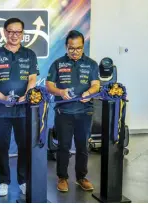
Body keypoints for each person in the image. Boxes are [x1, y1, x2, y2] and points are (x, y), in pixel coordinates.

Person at [0, 18, 38, 197]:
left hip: (23, 109)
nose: (14, 35)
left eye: (18, 32)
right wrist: (2, 97)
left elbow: (32, 79)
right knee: (2, 146)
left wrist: (26, 96)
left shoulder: (29, 54)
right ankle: (4, 181)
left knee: (24, 146)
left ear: (22, 34)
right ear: (5, 32)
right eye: (11, 31)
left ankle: (23, 181)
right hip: (1, 110)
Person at [46, 30, 100, 192]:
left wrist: (89, 93)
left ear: (83, 46)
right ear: (66, 47)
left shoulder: (91, 64)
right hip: (64, 113)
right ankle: (62, 177)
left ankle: (81, 177)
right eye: (71, 48)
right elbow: (49, 85)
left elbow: (96, 84)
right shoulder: (57, 63)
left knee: (83, 146)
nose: (75, 52)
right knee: (63, 146)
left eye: (78, 48)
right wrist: (60, 92)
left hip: (85, 112)